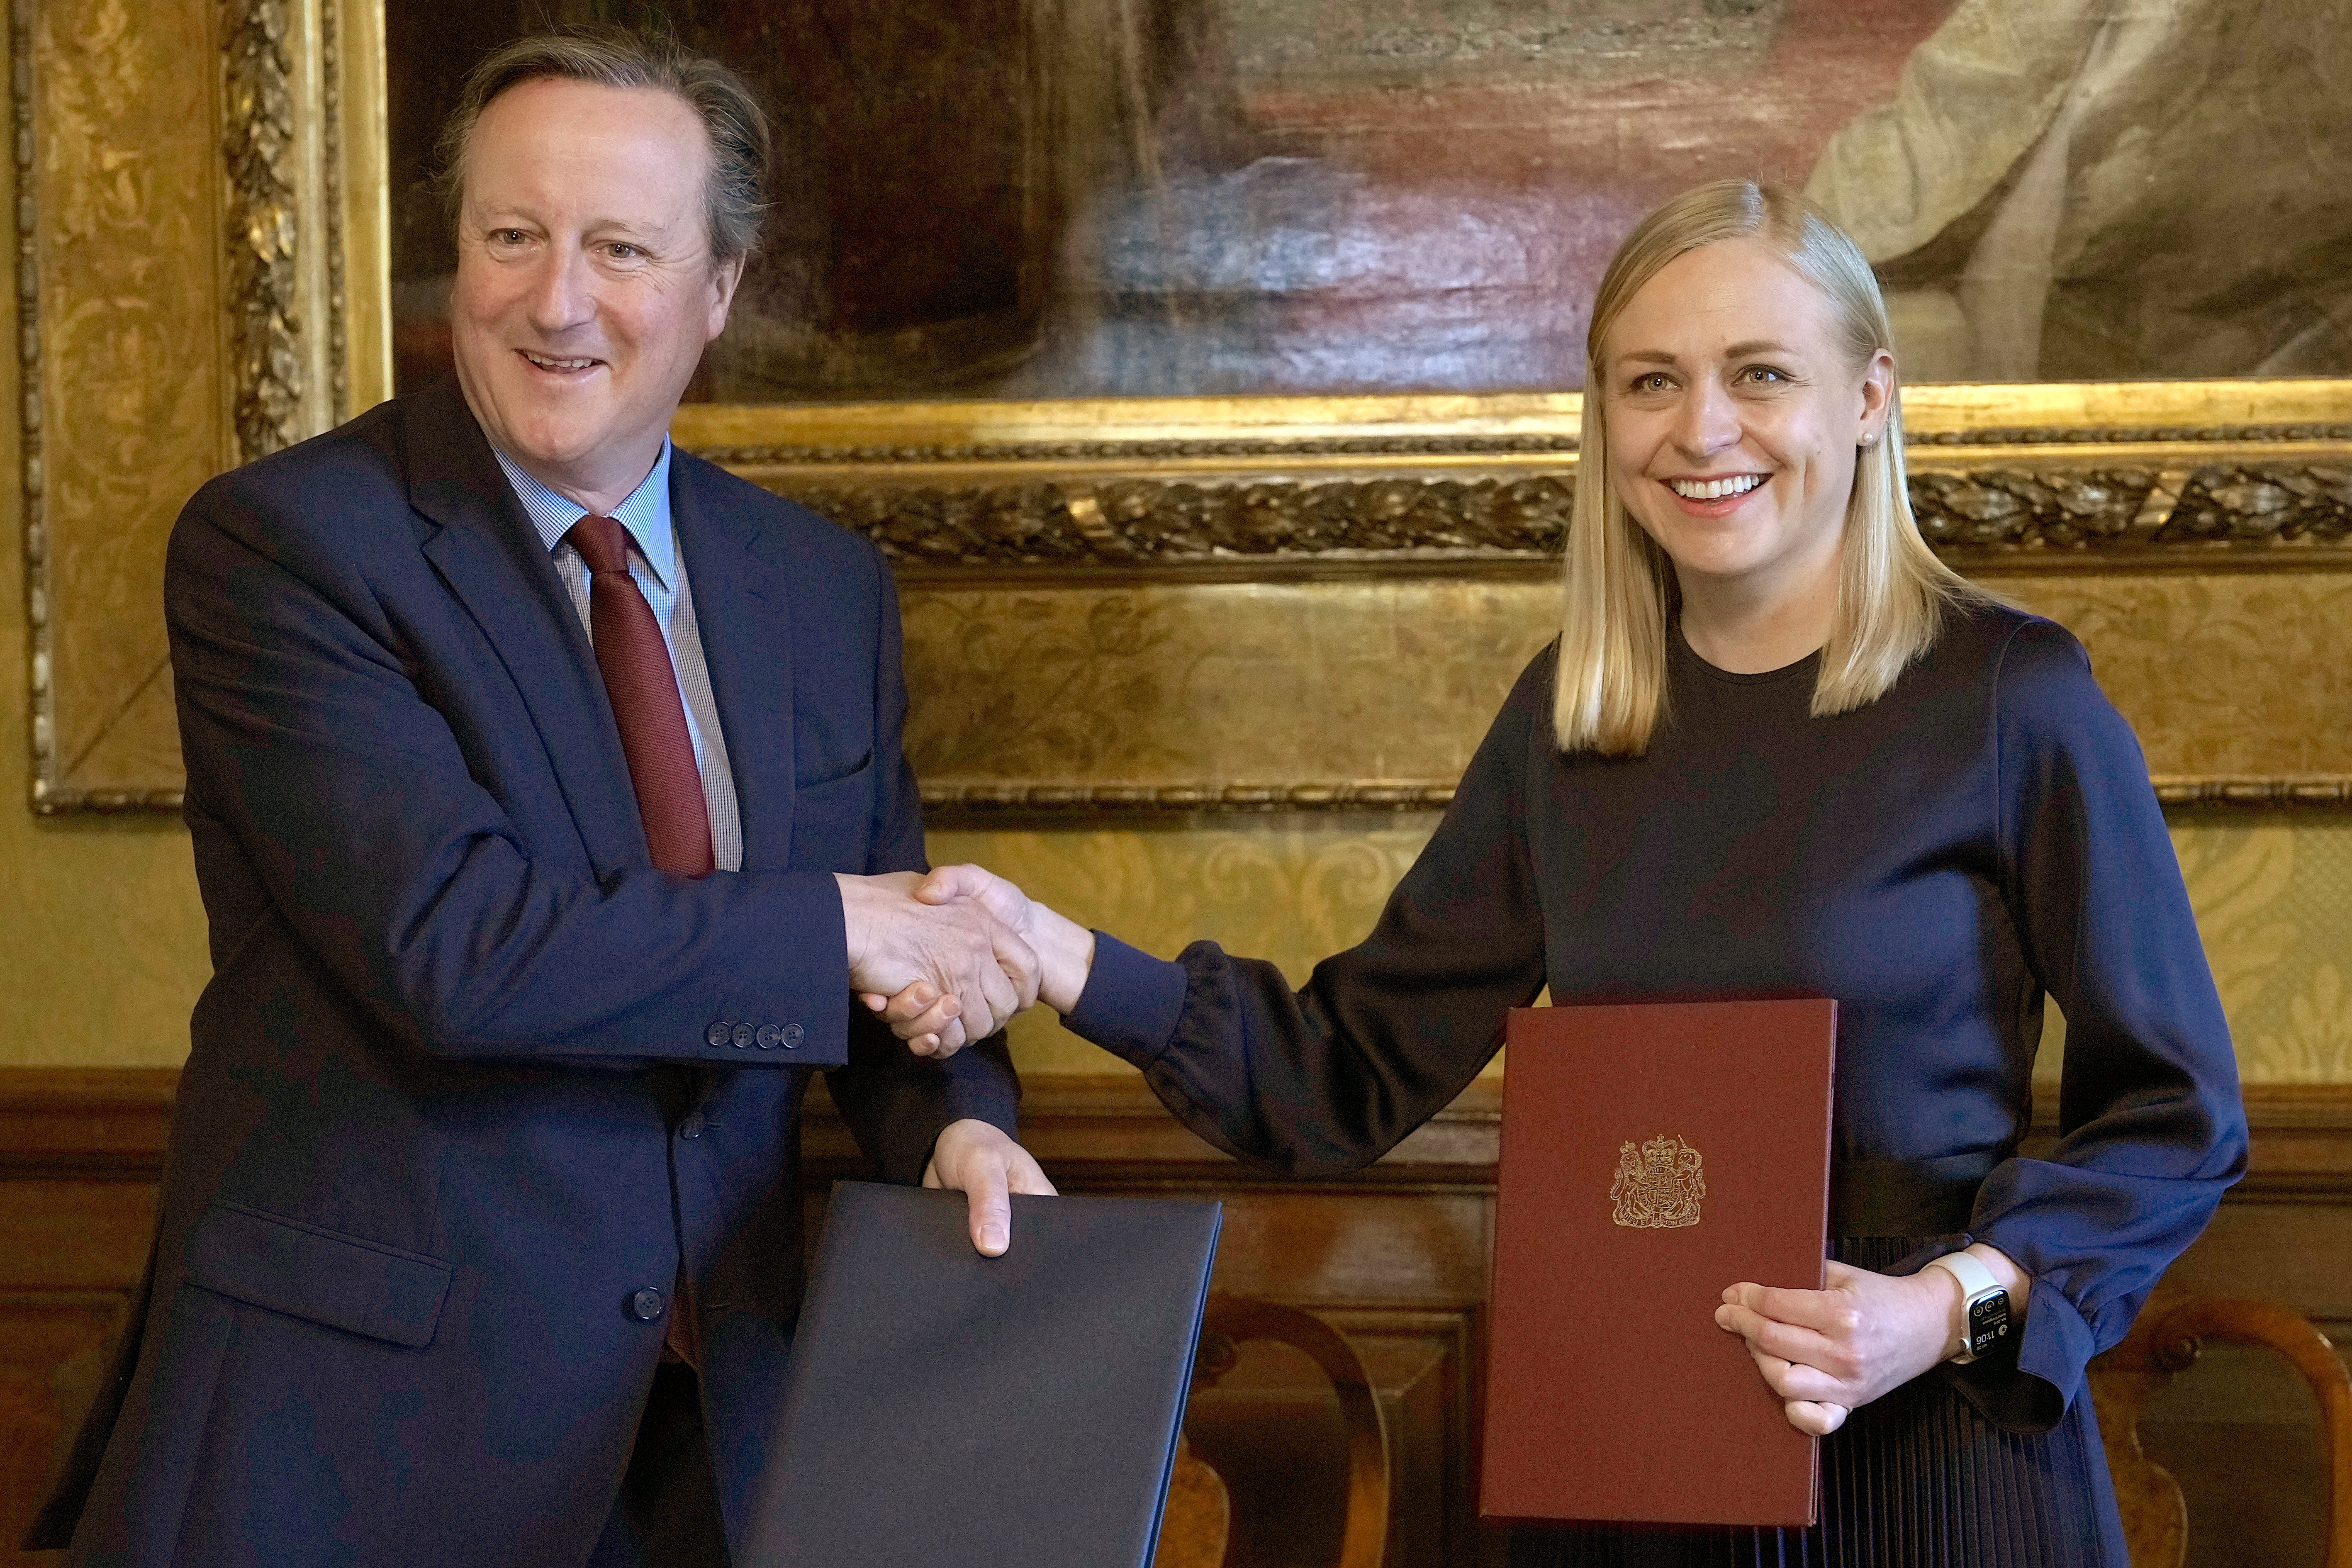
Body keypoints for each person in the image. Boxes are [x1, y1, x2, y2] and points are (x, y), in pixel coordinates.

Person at [879, 181, 2249, 1565]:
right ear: (1605, 419)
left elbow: (2176, 1115)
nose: (1701, 429)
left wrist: (1948, 1305)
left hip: (1935, 1467)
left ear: (1868, 397)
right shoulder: (1571, 720)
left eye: (1760, 374)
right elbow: (1340, 1074)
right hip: (1627, 1467)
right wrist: (1046, 950)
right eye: (1652, 382)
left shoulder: (2015, 696)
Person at [28, 26, 1054, 1568]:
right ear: (459, 258)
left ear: (718, 291)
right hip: (357, 1450)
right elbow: (463, 946)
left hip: (710, 1451)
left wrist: (955, 1128)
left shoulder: (819, 588)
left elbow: (879, 951)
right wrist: (844, 925)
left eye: (621, 248)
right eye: (513, 237)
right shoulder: (287, 549)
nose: (556, 298)